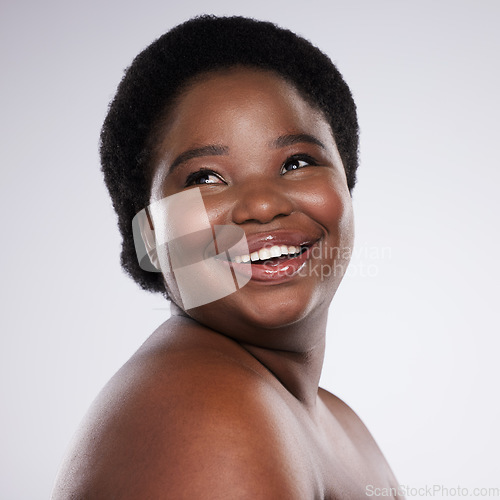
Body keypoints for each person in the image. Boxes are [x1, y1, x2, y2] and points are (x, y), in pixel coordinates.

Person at [52, 15, 402, 499]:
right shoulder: (208, 416)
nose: (262, 205)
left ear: (346, 183)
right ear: (151, 236)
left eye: (296, 163)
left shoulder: (337, 423)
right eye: (205, 178)